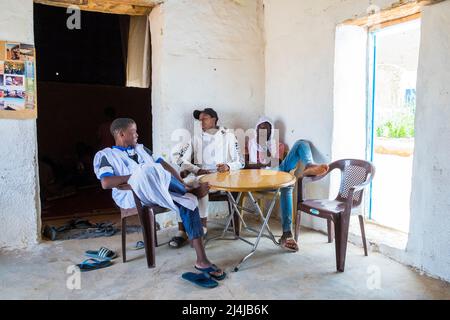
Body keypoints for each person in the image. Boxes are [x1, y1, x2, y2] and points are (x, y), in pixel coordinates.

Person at [93, 118, 225, 279]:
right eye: (133, 132)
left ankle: (202, 260)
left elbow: (165, 166)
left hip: (159, 190)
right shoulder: (106, 155)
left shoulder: (142, 149)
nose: (137, 135)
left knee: (189, 201)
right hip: (131, 195)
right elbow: (106, 183)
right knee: (147, 170)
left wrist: (181, 180)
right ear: (121, 134)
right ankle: (186, 189)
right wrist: (137, 176)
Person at [246, 116, 329, 252]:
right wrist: (263, 160)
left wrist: (266, 150)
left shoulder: (277, 145)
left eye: (266, 128)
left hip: (278, 172)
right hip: (261, 178)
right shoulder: (252, 142)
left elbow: (277, 162)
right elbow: (249, 165)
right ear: (256, 129)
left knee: (301, 143)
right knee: (286, 182)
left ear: (271, 131)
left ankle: (309, 165)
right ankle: (287, 233)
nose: (263, 130)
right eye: (260, 127)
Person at [171, 108, 244, 248]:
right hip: (200, 174)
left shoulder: (228, 136)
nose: (201, 123)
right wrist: (191, 169)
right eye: (200, 120)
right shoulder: (197, 138)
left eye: (204, 119)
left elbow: (241, 161)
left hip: (221, 177)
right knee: (180, 186)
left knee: (202, 183)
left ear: (214, 119)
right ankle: (181, 231)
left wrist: (228, 166)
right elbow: (179, 157)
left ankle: (202, 228)